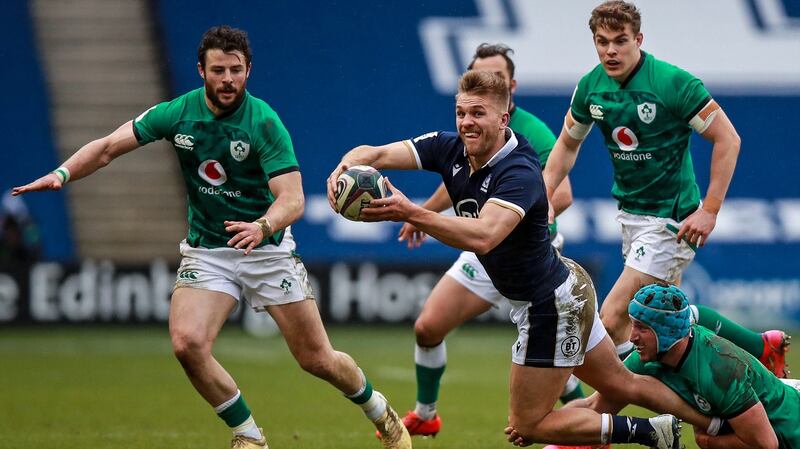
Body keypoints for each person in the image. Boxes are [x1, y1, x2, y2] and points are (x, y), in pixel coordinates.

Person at [12, 25, 411, 449]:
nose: (228, 80)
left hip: (267, 250)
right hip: (208, 251)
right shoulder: (177, 113)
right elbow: (109, 146)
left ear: (249, 70)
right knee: (187, 344)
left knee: (317, 359)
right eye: (218, 70)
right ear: (200, 70)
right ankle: (249, 436)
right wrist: (62, 174)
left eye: (236, 70)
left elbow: (292, 199)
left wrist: (262, 227)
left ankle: (378, 410)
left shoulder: (264, 122)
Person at [327, 69, 715, 448]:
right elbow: (376, 153)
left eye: (478, 113)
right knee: (621, 384)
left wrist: (410, 212)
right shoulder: (449, 148)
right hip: (566, 285)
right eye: (461, 113)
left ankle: (649, 433)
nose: (467, 122)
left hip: (548, 306)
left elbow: (485, 236)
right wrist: (345, 169)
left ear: (503, 118)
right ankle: (713, 422)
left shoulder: (520, 170)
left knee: (529, 425)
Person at [541, 0, 790, 377]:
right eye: (602, 41)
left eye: (620, 41)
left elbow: (728, 139)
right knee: (668, 321)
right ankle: (759, 347)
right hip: (631, 216)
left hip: (672, 220)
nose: (610, 50)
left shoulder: (673, 83)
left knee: (611, 318)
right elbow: (567, 144)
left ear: (638, 39)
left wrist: (710, 210)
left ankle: (601, 417)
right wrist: (543, 194)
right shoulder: (591, 87)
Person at [392, 43, 582, 438]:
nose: (483, 87)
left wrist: (528, 212)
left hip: (528, 255)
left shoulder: (532, 133)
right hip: (483, 250)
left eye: (494, 78)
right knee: (427, 327)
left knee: (550, 359)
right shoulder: (469, 130)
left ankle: (583, 424)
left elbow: (560, 193)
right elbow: (461, 180)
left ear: (509, 90)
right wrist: (426, 211)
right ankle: (426, 413)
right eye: (477, 76)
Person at [560, 284, 800, 449]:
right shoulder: (647, 359)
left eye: (642, 328)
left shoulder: (720, 371)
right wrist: (540, 426)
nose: (632, 337)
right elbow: (595, 406)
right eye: (633, 325)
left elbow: (766, 444)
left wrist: (708, 442)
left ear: (666, 332)